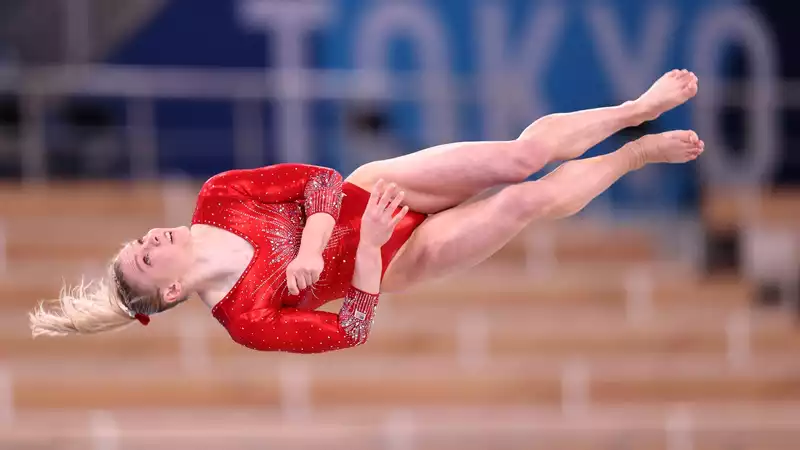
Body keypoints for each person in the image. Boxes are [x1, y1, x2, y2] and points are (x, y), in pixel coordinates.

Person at [29, 69, 703, 354]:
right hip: (401, 257)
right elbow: (350, 328)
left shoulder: (219, 197)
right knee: (523, 203)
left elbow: (319, 180)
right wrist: (373, 248)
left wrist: (314, 249)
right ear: (172, 289)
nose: (152, 235)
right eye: (147, 254)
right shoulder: (248, 319)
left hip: (377, 189)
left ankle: (631, 110)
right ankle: (634, 157)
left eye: (139, 237)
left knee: (519, 160)